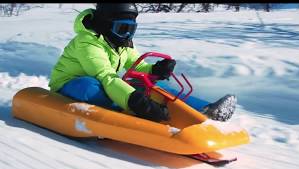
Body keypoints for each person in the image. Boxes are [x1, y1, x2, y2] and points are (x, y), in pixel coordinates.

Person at [49, 3, 236, 122]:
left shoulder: (119, 40)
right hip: (70, 84)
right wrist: (136, 102)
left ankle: (207, 109)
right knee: (92, 87)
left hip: (105, 82)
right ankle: (133, 111)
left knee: (150, 87)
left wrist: (155, 69)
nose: (128, 35)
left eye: (131, 29)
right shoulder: (87, 43)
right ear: (106, 25)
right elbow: (107, 77)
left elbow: (136, 65)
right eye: (123, 28)